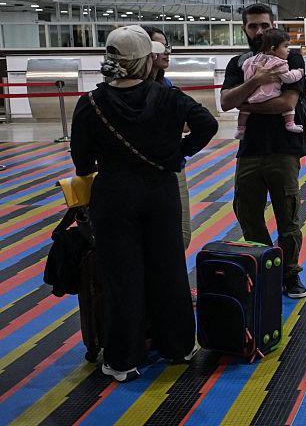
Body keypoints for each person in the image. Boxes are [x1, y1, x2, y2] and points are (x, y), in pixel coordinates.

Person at [71, 25, 217, 382]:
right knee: (168, 269)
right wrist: (176, 154)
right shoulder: (169, 97)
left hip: (114, 195)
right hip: (161, 191)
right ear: (146, 60)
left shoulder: (90, 103)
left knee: (122, 276)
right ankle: (179, 346)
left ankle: (123, 360)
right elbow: (207, 124)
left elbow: (81, 162)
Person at [220, 3, 306, 299]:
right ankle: (265, 267)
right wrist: (257, 82)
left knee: (288, 217)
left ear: (273, 25)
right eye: (252, 26)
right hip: (250, 151)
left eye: (263, 25)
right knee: (247, 213)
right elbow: (224, 102)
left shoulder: (291, 57)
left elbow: (287, 104)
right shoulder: (239, 62)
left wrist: (246, 102)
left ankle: (290, 273)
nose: (259, 31)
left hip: (284, 150)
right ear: (244, 29)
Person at [144, 27, 189, 250]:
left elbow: (189, 124)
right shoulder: (127, 90)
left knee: (181, 235)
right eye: (159, 47)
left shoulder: (167, 86)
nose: (166, 52)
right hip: (142, 170)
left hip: (171, 165)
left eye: (167, 47)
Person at [235, 28, 305, 138]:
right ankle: (290, 124)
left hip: (251, 96)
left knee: (244, 111)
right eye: (285, 46)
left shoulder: (252, 60)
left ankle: (240, 129)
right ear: (273, 48)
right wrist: (299, 73)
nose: (288, 50)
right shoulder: (278, 63)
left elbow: (245, 69)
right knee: (290, 108)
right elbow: (288, 78)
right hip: (270, 95)